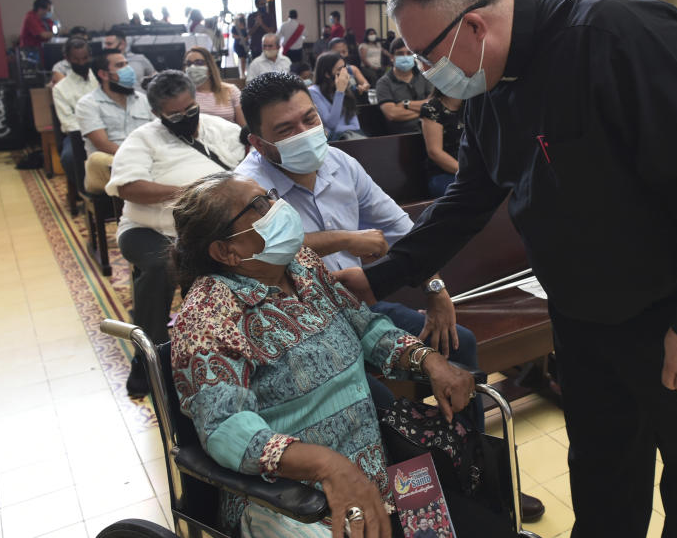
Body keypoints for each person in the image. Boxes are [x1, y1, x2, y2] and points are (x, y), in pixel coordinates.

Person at [350, 0, 677, 538]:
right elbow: (470, 199)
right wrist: (381, 276)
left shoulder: (620, 35)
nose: (425, 73)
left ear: (474, 27)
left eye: (428, 56)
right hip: (582, 316)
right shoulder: (489, 81)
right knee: (601, 479)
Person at [232, 74, 546, 525]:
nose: (305, 133)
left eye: (310, 118)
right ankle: (414, 499)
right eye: (286, 130)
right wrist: (344, 238)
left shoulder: (340, 163)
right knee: (384, 407)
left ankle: (478, 477)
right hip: (302, 330)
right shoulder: (244, 191)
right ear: (259, 144)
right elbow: (254, 253)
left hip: (359, 308)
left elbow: (404, 229)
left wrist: (436, 289)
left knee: (458, 344)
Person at [168, 171, 510, 538]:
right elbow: (225, 429)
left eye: (268, 195)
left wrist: (430, 361)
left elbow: (366, 328)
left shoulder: (302, 266)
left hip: (378, 468)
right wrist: (326, 466)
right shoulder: (208, 312)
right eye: (258, 206)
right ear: (225, 250)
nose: (276, 206)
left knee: (491, 528)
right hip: (291, 500)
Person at [106, 70, 244, 397]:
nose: (187, 118)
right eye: (176, 114)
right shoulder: (142, 139)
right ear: (157, 114)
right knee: (161, 266)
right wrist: (191, 192)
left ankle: (236, 347)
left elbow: (251, 167)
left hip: (212, 229)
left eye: (191, 109)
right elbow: (129, 187)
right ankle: (148, 358)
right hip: (150, 230)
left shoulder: (222, 130)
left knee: (252, 256)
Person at [76, 49, 154, 192]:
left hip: (146, 159)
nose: (128, 69)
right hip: (111, 163)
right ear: (103, 74)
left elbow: (157, 131)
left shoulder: (142, 99)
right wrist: (136, 157)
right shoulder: (88, 104)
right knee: (99, 160)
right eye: (120, 65)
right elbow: (102, 144)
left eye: (126, 64)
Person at [51, 38, 98, 176]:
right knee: (69, 158)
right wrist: (94, 133)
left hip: (109, 129)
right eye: (76, 60)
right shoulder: (60, 88)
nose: (82, 63)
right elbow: (69, 123)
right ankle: (87, 192)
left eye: (85, 58)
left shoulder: (101, 78)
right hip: (78, 135)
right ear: (67, 59)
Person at [375, 38, 433, 135]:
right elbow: (392, 114)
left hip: (428, 132)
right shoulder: (383, 83)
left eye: (409, 53)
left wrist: (405, 104)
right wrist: (425, 111)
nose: (405, 57)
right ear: (392, 57)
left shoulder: (424, 76)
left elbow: (434, 103)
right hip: (400, 137)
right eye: (400, 54)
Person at [183, 46, 247, 127]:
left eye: (199, 63)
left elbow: (243, 126)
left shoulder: (231, 90)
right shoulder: (183, 95)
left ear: (210, 66)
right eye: (188, 64)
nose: (192, 67)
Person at [309, 52, 365, 140]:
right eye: (339, 69)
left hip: (351, 136)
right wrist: (340, 92)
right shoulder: (314, 92)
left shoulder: (346, 90)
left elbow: (356, 126)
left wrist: (336, 129)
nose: (344, 73)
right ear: (327, 74)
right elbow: (331, 124)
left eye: (344, 68)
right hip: (333, 140)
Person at [419, 89, 463, 196]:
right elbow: (435, 152)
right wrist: (468, 172)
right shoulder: (432, 108)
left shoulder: (474, 104)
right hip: (444, 173)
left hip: (472, 170)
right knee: (469, 194)